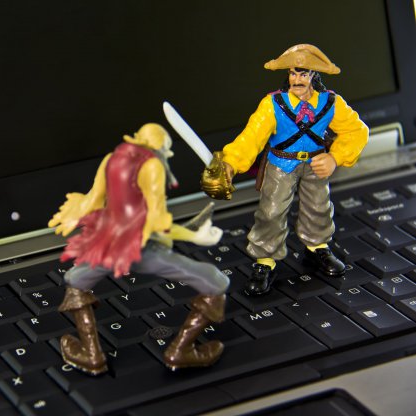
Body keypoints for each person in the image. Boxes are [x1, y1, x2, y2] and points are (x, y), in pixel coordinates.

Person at [49, 123, 230, 375]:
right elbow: (156, 222)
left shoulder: (112, 159)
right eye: (167, 148)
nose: (169, 154)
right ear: (160, 146)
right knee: (216, 283)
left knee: (75, 282)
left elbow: (93, 201)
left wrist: (75, 219)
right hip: (142, 250)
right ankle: (181, 351)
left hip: (109, 247)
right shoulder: (153, 166)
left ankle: (91, 354)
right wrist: (195, 236)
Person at [201, 44, 368, 296]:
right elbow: (251, 138)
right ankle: (265, 260)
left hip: (316, 164)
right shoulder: (273, 104)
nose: (296, 79)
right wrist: (230, 163)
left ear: (313, 75)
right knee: (271, 211)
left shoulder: (330, 102)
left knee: (319, 206)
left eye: (303, 74)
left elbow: (357, 131)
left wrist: (335, 158)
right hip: (281, 164)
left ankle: (317, 248)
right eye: (292, 73)